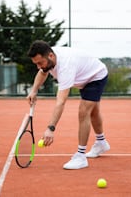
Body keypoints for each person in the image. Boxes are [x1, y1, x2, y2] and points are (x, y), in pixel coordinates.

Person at [26, 40, 110, 170]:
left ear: (50, 56)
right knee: (93, 112)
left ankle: (81, 157)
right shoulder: (48, 55)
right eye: (36, 63)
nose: (38, 66)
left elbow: (61, 102)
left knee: (83, 112)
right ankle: (101, 143)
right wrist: (34, 90)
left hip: (95, 76)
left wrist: (50, 128)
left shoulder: (66, 66)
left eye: (40, 63)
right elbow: (43, 72)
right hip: (84, 76)